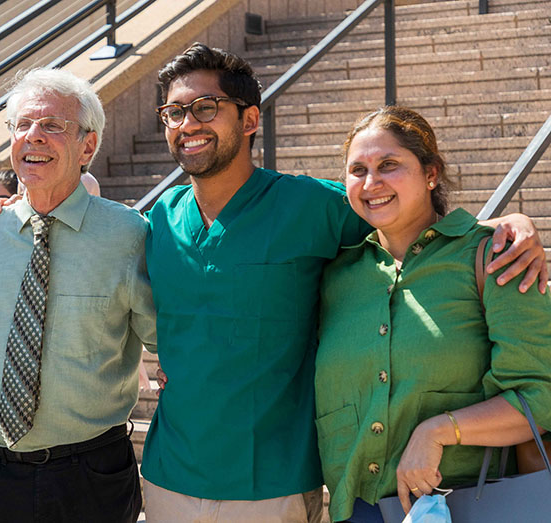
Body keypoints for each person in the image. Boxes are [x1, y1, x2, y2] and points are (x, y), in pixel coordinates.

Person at [142, 43, 547, 523]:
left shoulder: (312, 207)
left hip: (277, 484)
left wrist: (510, 224)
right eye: (173, 112)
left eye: (205, 107)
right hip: (172, 475)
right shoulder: (157, 221)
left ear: (250, 120)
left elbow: (413, 225)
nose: (188, 123)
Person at [315, 106, 551, 522]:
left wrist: (440, 430)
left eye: (389, 165)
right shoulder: (334, 276)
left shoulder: (497, 258)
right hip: (356, 511)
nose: (372, 183)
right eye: (357, 170)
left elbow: (541, 396)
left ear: (431, 173)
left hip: (469, 506)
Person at [0, 68, 156, 523]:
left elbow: (170, 341)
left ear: (88, 145)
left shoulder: (129, 235)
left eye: (53, 126)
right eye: (22, 125)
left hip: (92, 477)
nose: (34, 137)